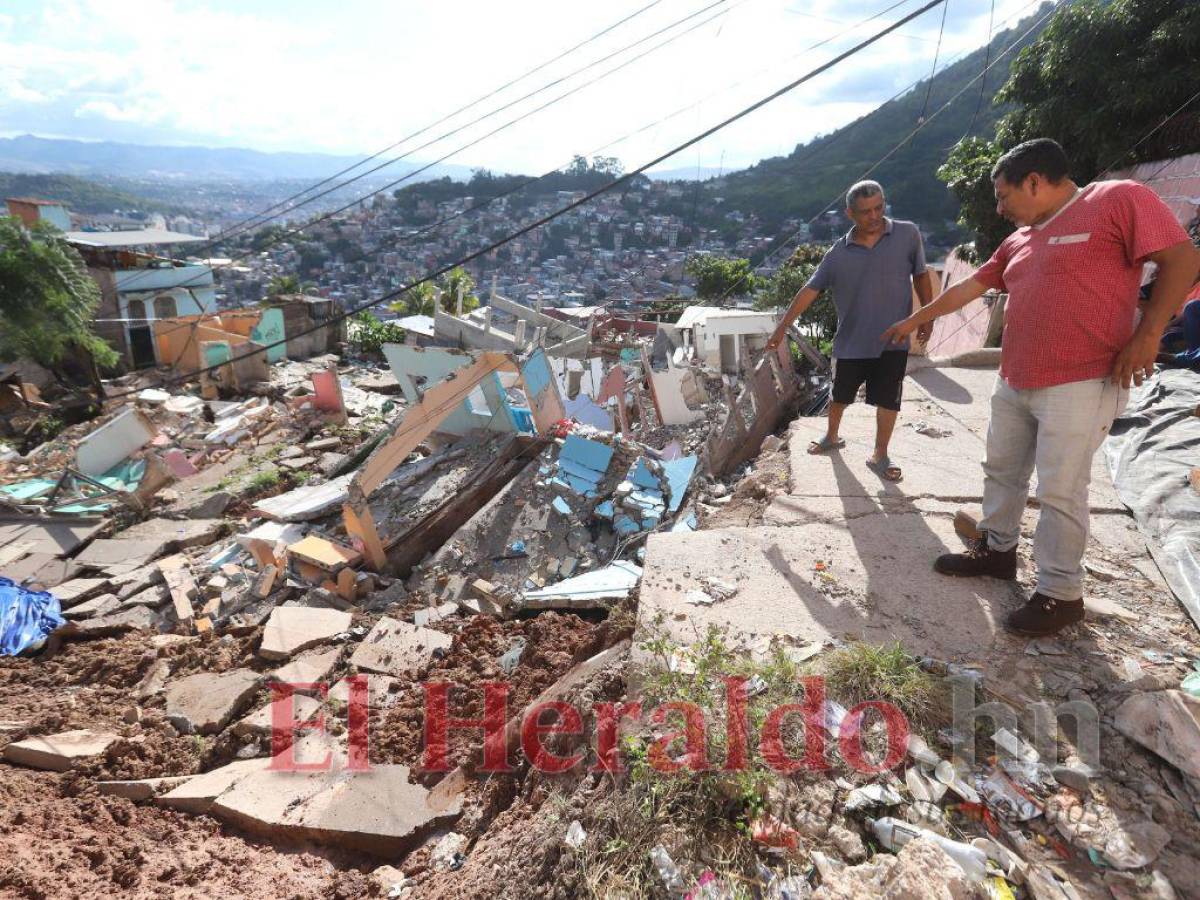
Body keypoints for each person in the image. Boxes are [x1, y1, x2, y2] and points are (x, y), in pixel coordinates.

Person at [882, 138, 1200, 636]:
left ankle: (1060, 593)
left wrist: (1148, 335)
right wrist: (913, 320)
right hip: (1015, 378)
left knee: (1060, 491)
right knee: (1002, 471)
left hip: (1083, 378)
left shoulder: (1115, 200)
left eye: (1004, 196)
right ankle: (997, 551)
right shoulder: (1018, 241)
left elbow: (1183, 260)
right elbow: (972, 286)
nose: (1000, 208)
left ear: (1034, 181)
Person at [767, 180, 934, 482]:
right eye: (866, 212)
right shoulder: (837, 254)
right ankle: (832, 435)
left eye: (879, 208)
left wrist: (926, 316)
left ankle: (880, 454)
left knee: (888, 399)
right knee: (840, 395)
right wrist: (782, 327)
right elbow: (809, 290)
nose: (874, 216)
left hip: (893, 340)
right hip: (851, 341)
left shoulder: (907, 234)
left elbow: (921, 275)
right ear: (850, 213)